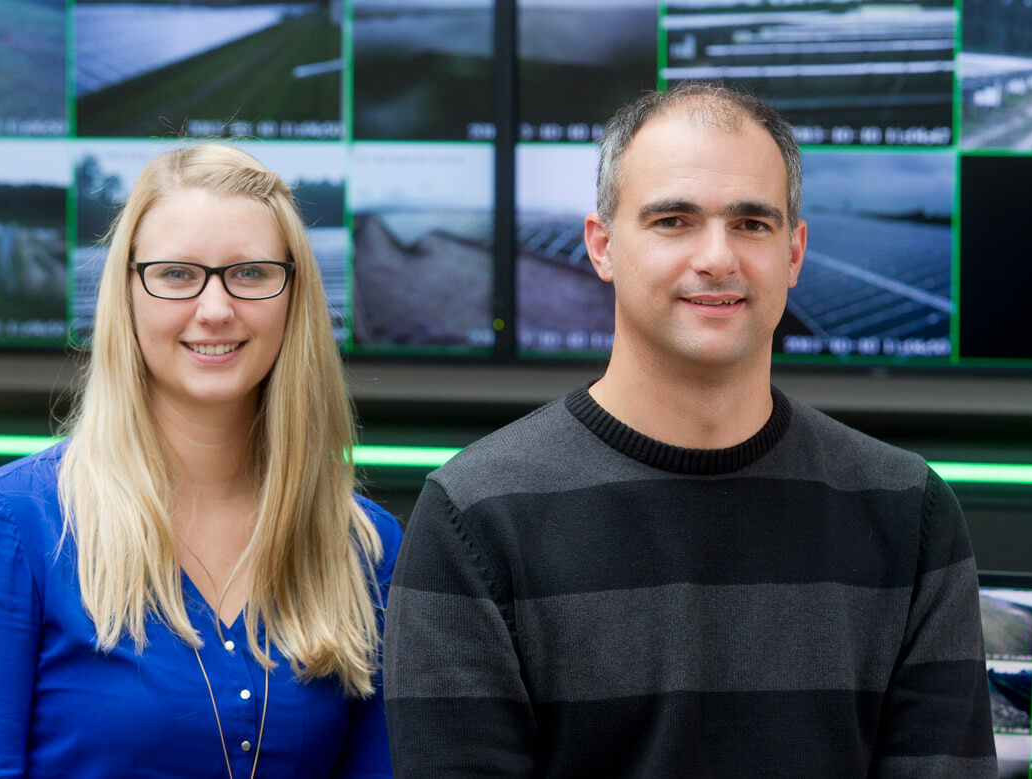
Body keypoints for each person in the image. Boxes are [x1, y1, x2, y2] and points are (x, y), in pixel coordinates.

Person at [383, 84, 996, 777]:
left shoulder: (908, 513)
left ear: (794, 253)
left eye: (751, 224)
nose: (717, 257)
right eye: (674, 220)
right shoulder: (473, 518)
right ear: (602, 245)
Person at [0, 144, 400, 778]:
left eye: (250, 273)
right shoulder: (13, 525)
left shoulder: (366, 548)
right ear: (129, 293)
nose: (216, 309)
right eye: (176, 274)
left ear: (293, 297)